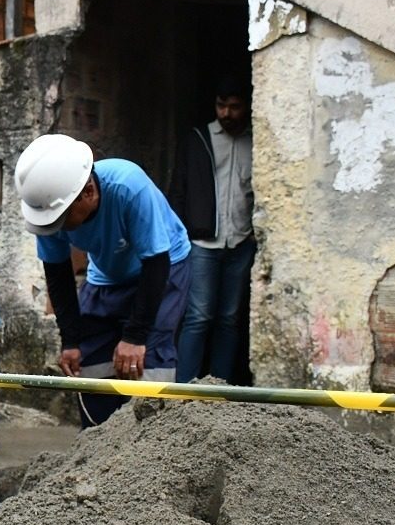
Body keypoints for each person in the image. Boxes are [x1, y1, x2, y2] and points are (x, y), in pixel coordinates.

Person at [15, 135, 192, 427]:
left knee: (146, 358)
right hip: (108, 271)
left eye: (60, 219)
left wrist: (135, 336)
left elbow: (155, 263)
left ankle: (154, 446)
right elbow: (58, 275)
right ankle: (99, 448)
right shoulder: (52, 208)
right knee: (89, 356)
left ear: (88, 193)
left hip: (163, 264)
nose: (55, 228)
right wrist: (70, 340)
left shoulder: (128, 187)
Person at [168, 76, 255, 384]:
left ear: (246, 107)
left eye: (234, 107)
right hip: (203, 243)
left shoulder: (256, 142)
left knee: (230, 319)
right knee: (198, 317)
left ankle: (221, 389)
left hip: (242, 242)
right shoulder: (198, 139)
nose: (226, 113)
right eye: (221, 105)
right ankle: (184, 389)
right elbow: (178, 190)